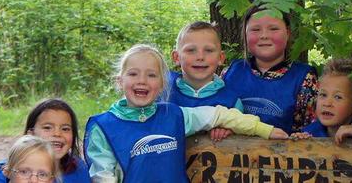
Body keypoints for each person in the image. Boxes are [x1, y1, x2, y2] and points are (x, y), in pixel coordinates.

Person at [84, 44, 288, 182]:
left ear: (163, 83)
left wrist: (264, 129)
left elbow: (220, 114)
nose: (142, 81)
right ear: (120, 81)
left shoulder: (176, 116)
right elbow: (103, 176)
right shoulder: (104, 127)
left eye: (152, 75)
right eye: (133, 74)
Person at [222, 6, 319, 132]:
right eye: (255, 29)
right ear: (245, 34)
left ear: (288, 33)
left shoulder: (305, 78)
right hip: (229, 150)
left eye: (273, 29)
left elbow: (313, 131)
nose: (264, 35)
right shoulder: (230, 73)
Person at [23, 99, 89, 183]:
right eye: (47, 127)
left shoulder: (79, 169)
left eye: (65, 129)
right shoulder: (9, 170)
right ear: (31, 134)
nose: (57, 134)